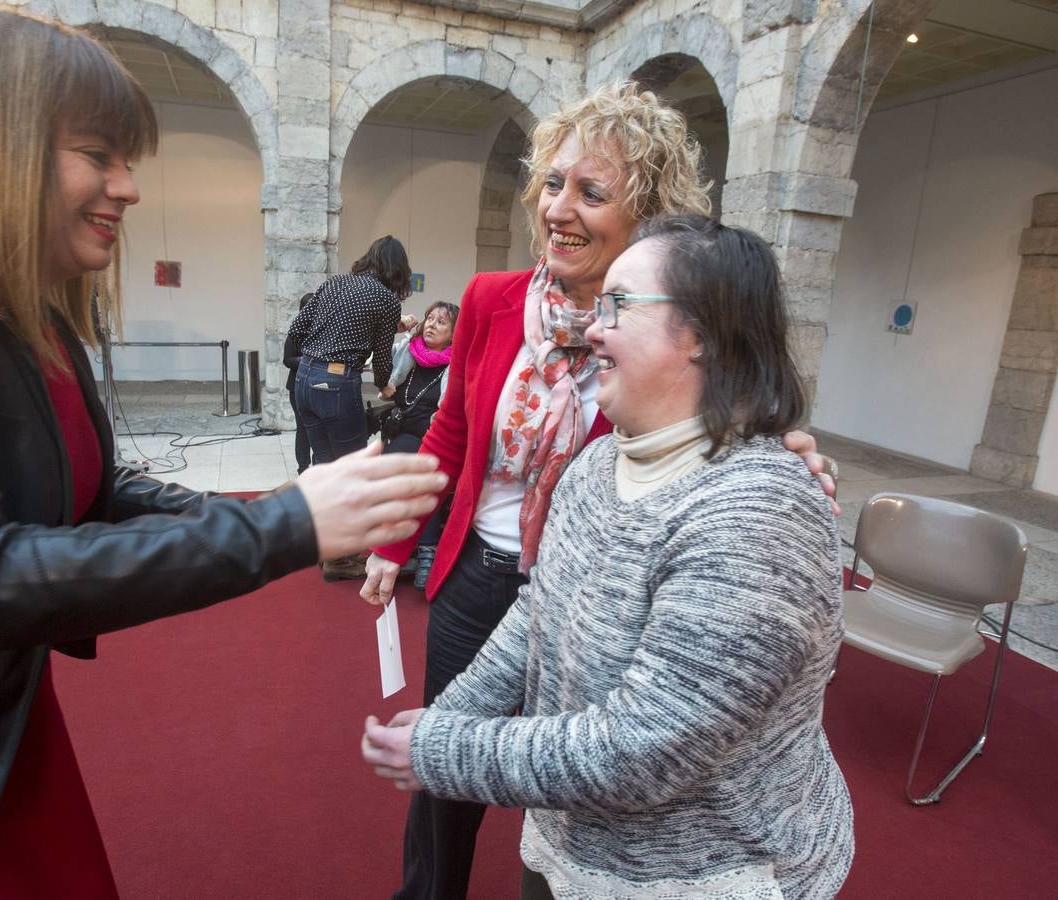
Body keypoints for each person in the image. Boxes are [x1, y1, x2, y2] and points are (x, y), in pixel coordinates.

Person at [0, 8, 444, 898]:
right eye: (98, 154)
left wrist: (277, 515)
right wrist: (286, 527)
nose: (127, 186)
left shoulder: (12, 310)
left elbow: (90, 490)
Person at [358, 83, 836, 900]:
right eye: (553, 183)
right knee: (456, 796)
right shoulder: (495, 305)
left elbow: (640, 743)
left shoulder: (713, 433)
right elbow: (454, 435)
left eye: (592, 190)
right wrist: (395, 541)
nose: (560, 208)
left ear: (648, 219)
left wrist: (770, 448)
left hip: (628, 616)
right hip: (490, 572)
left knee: (573, 765)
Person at [290, 234, 413, 580]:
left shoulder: (335, 282)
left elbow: (297, 328)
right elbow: (383, 355)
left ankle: (324, 547)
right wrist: (387, 386)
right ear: (398, 269)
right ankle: (341, 558)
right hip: (336, 383)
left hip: (304, 380)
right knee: (350, 472)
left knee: (324, 465)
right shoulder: (386, 299)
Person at [379, 302, 459, 590]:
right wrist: (395, 327)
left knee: (426, 478)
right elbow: (375, 353)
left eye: (441, 322)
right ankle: (404, 546)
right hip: (403, 431)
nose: (431, 325)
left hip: (435, 435)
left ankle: (427, 552)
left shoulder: (456, 365)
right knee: (391, 471)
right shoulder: (406, 352)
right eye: (429, 318)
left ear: (453, 334)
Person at [283, 291, 316, 475]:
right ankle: (303, 468)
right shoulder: (296, 332)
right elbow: (287, 360)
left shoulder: (325, 330)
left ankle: (318, 464)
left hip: (318, 386)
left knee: (319, 429)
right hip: (297, 386)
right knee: (303, 428)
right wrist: (308, 361)